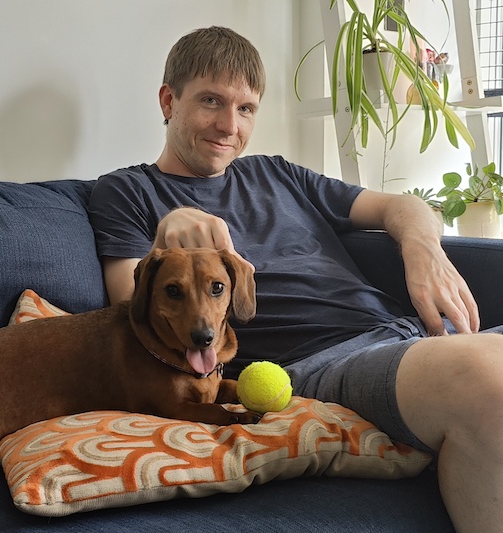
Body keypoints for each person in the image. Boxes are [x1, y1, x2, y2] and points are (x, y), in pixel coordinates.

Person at [87, 26, 503, 532]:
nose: (227, 125)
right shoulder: (127, 192)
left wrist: (422, 249)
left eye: (246, 109)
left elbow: (404, 205)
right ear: (168, 100)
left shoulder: (278, 173)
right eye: (210, 102)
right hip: (320, 365)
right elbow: (130, 308)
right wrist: (165, 234)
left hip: (411, 335)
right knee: (486, 377)